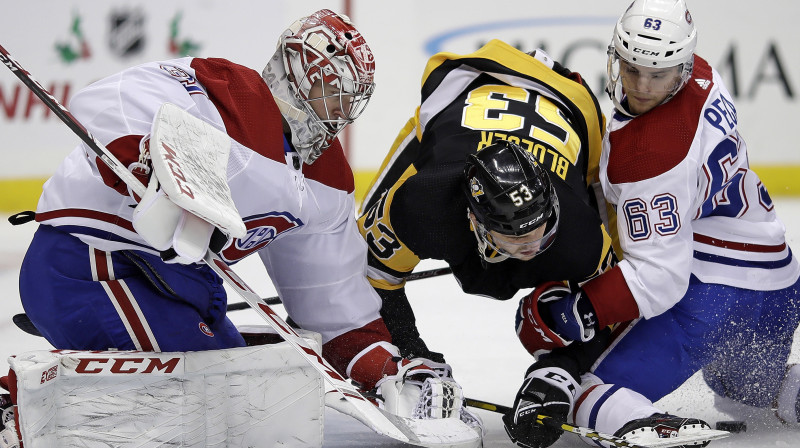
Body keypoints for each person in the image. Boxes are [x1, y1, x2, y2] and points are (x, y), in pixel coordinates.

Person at [11, 9, 465, 426]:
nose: (337, 112)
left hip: (184, 289)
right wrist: (146, 156)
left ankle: (42, 392)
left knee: (252, 387)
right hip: (90, 266)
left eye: (347, 101)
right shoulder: (221, 92)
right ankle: (20, 408)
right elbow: (107, 101)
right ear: (293, 73)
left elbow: (333, 305)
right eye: (329, 91)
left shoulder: (325, 182)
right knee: (218, 396)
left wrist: (384, 369)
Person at [509, 1, 800, 446]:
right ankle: (790, 391)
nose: (643, 86)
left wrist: (574, 314)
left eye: (657, 74)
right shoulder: (703, 73)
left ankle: (646, 425)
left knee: (585, 392)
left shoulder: (646, 158)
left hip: (712, 300)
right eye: (633, 68)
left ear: (679, 65)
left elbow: (660, 277)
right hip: (779, 286)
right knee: (743, 393)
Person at [356, 39, 620, 444]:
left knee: (624, 261)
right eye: (517, 237)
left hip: (571, 104)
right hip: (464, 87)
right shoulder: (423, 206)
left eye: (541, 227)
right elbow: (370, 279)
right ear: (473, 221)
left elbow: (620, 304)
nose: (533, 245)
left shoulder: (578, 233)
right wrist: (411, 353)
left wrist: (562, 370)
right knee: (353, 251)